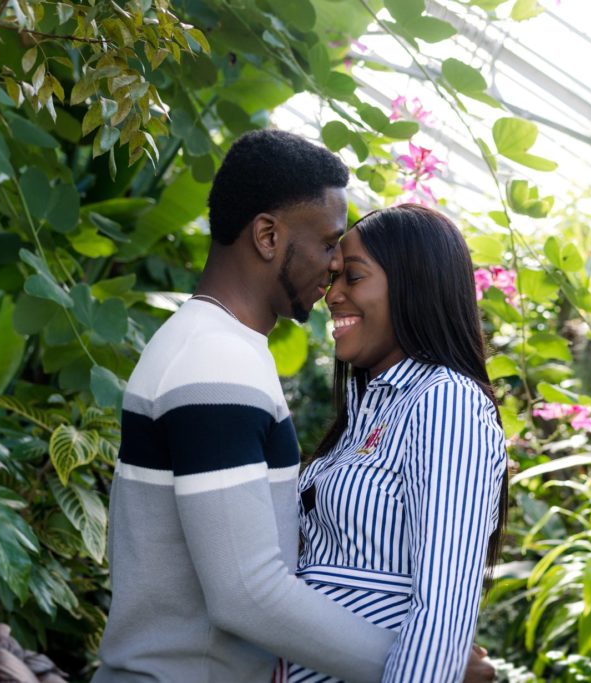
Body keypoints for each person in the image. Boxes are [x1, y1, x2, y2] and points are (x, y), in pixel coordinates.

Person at [94, 130, 403, 682]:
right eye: (330, 243)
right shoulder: (214, 362)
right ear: (267, 236)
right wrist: (422, 663)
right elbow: (247, 592)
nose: (336, 265)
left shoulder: (219, 348)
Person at [283, 204, 509, 683]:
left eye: (354, 278)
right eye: (335, 279)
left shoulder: (445, 402)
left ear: (414, 285)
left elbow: (442, 608)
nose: (333, 295)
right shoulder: (368, 407)